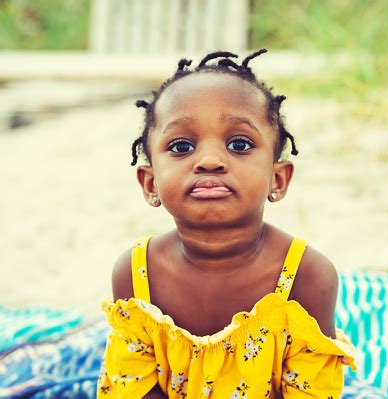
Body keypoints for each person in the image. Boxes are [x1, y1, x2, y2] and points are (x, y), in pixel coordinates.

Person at [97, 49, 356, 399]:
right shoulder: (135, 273)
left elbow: (310, 392)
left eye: (239, 144)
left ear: (277, 180)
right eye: (181, 145)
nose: (209, 160)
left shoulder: (307, 276)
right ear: (150, 183)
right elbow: (135, 388)